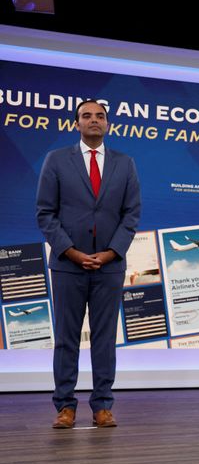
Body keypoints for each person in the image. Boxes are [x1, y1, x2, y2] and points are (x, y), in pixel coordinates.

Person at [36, 99, 141, 429]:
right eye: (86, 116)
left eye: (100, 116)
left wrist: (111, 252)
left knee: (105, 338)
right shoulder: (56, 160)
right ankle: (65, 406)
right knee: (67, 338)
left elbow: (131, 215)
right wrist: (71, 251)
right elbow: (45, 214)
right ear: (76, 124)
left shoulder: (125, 164)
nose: (93, 120)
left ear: (107, 124)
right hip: (68, 265)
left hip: (110, 266)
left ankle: (102, 406)